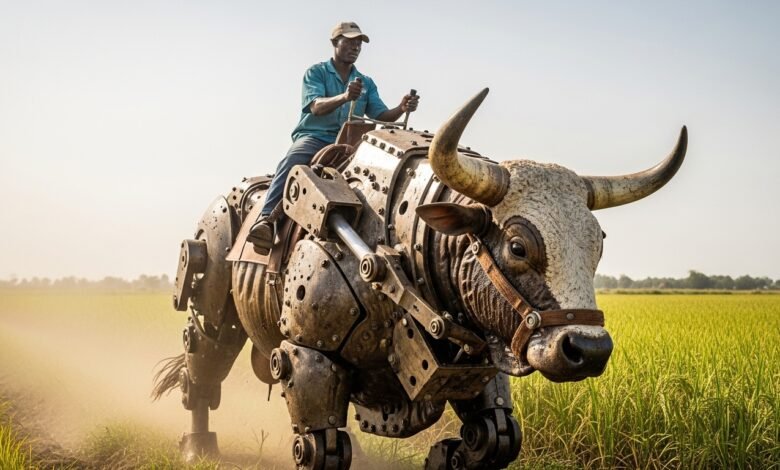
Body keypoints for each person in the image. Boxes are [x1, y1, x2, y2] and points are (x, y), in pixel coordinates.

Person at [247, 21, 419, 249]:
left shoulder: (366, 82)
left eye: (359, 43)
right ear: (335, 43)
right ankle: (266, 220)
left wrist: (401, 108)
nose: (355, 47)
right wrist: (345, 97)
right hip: (316, 138)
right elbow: (316, 106)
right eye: (349, 42)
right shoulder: (316, 73)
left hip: (352, 143)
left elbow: (381, 115)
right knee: (292, 161)